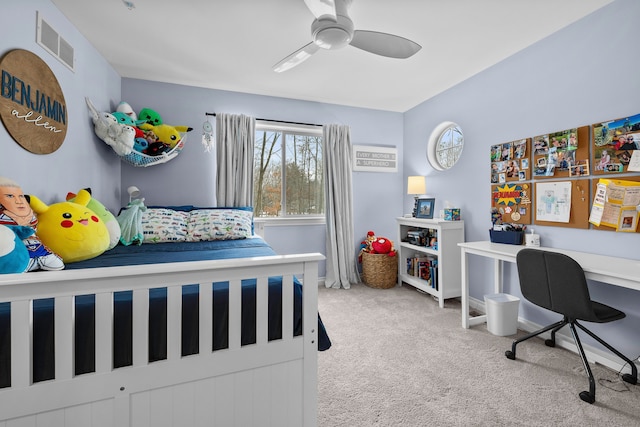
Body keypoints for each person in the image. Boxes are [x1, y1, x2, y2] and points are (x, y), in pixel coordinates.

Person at [0, 177, 64, 271]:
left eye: (21, 196)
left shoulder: (28, 213)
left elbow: (33, 227)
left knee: (57, 264)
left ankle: (41, 257)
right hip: (20, 254)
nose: (18, 201)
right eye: (10, 196)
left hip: (39, 249)